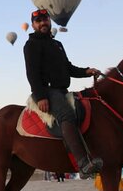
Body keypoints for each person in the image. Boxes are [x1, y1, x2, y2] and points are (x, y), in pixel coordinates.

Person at [23, 9, 102, 177]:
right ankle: (83, 162)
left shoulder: (57, 44)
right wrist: (41, 96)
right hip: (46, 91)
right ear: (33, 25)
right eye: (39, 21)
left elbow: (68, 67)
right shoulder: (32, 44)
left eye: (45, 19)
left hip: (62, 90)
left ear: (50, 21)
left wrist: (86, 71)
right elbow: (32, 73)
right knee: (66, 115)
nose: (43, 23)